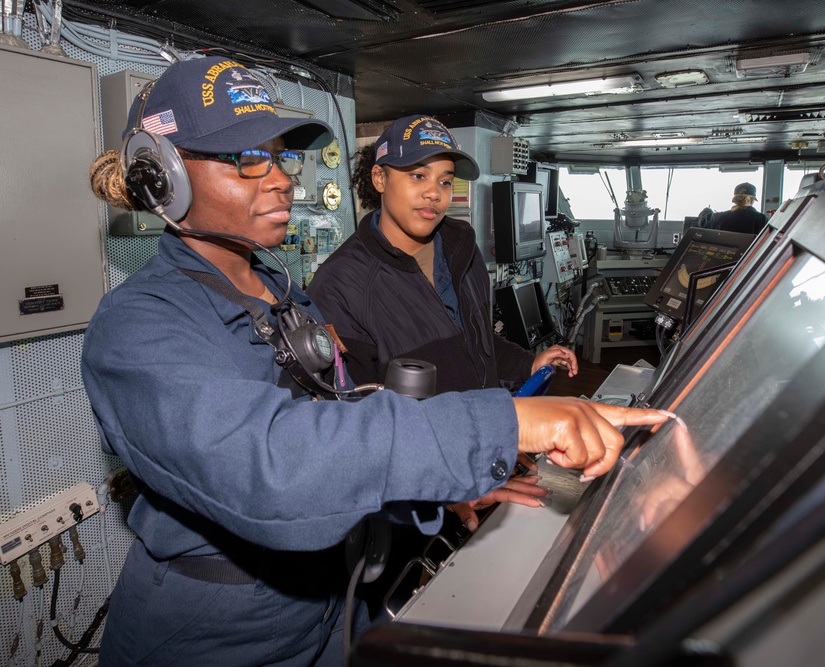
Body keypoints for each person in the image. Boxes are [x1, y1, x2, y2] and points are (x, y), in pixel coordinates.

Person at [82, 56, 671, 666]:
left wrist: (434, 486)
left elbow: (351, 420)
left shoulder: (286, 295)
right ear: (165, 178)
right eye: (248, 158)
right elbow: (275, 465)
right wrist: (506, 423)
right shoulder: (139, 328)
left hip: (338, 603)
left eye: (282, 156)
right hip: (223, 636)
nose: (283, 178)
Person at [307, 115, 578, 533]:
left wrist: (527, 364)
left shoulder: (459, 245)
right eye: (418, 175)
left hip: (489, 454)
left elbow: (473, 340)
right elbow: (354, 418)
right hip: (421, 496)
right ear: (379, 178)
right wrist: (439, 484)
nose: (434, 193)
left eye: (446, 181)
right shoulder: (341, 284)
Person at [700, 182, 768, 235]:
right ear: (752, 200)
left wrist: (706, 211)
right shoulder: (761, 219)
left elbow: (702, 222)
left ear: (735, 199)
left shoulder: (719, 216)